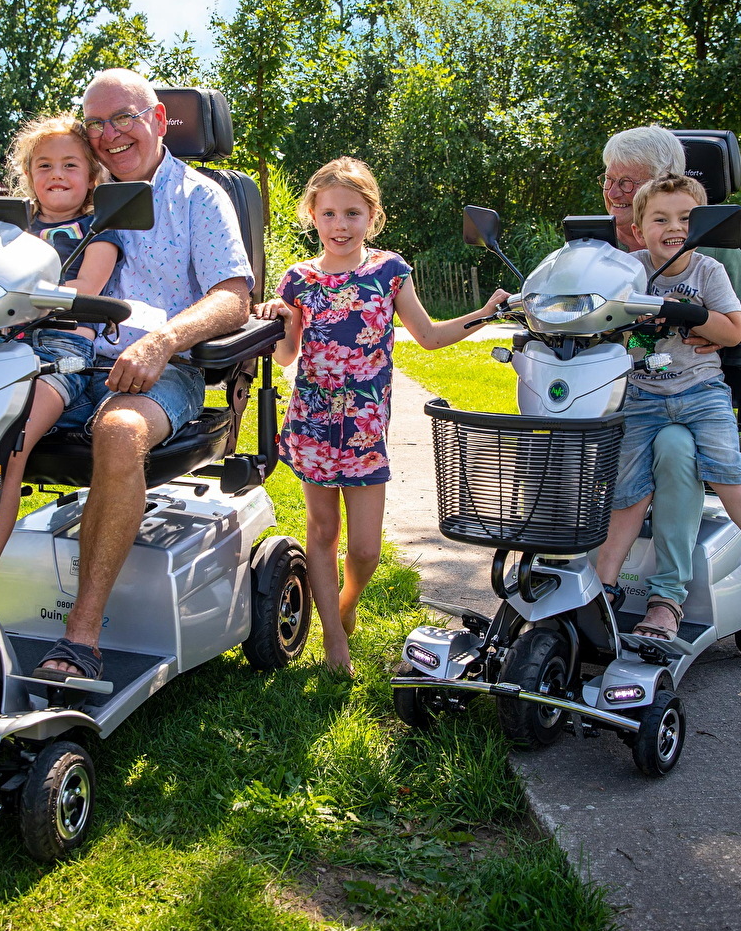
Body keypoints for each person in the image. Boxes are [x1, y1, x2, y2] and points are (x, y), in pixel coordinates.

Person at [32, 69, 255, 683]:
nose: (110, 134)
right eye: (97, 123)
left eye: (125, 117)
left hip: (167, 371)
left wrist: (163, 340)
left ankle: (81, 637)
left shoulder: (198, 197)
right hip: (63, 363)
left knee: (120, 431)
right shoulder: (72, 190)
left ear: (159, 121)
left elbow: (234, 296)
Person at [256, 157, 509, 674]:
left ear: (373, 216)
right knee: (322, 532)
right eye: (328, 214)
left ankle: (344, 605)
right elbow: (285, 356)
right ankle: (333, 642)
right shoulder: (298, 280)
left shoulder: (389, 272)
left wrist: (483, 315)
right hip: (313, 425)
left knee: (367, 550)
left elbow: (431, 336)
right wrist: (278, 317)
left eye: (352, 213)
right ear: (312, 215)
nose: (340, 226)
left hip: (366, 429)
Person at [597, 125, 741, 618]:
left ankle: (668, 599)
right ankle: (594, 580)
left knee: (676, 447)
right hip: (626, 393)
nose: (615, 191)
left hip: (698, 391)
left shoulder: (714, 250)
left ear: (662, 180)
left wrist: (726, 328)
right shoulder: (599, 249)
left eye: (629, 181)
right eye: (610, 179)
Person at [0, 114, 125, 597]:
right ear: (28, 175)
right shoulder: (11, 232)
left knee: (7, 449)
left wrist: (14, 291)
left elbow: (85, 288)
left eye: (71, 165)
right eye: (44, 165)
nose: (58, 174)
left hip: (61, 353)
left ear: (93, 176)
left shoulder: (100, 231)